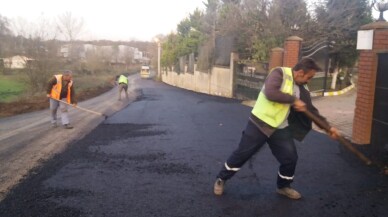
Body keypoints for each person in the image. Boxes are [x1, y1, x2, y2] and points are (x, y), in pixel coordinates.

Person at [213, 58, 340, 200]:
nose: (309, 81)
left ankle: (283, 186)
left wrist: (328, 128)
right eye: (308, 77)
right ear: (299, 73)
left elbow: (311, 111)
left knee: (290, 158)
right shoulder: (279, 73)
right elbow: (271, 93)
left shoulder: (303, 88)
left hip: (280, 126)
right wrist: (293, 100)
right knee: (242, 154)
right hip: (260, 123)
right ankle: (221, 178)